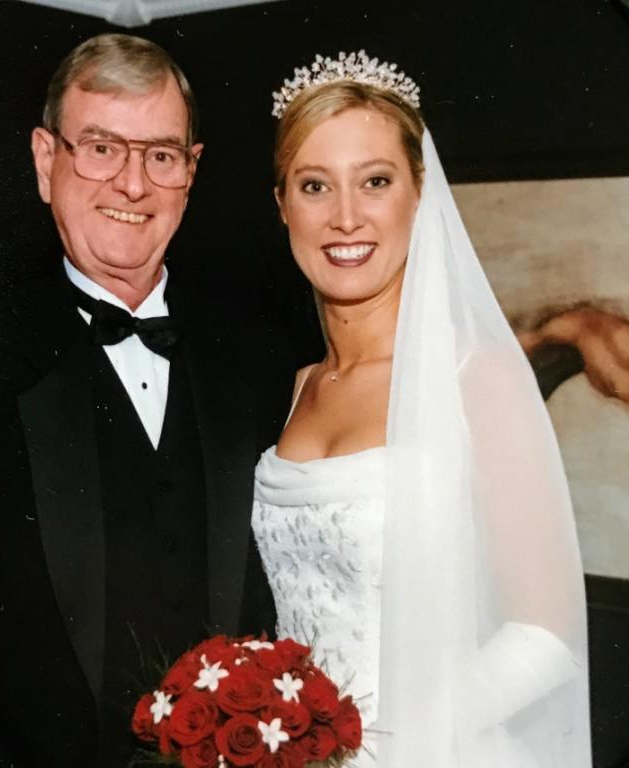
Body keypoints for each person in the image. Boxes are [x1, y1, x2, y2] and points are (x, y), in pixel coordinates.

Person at [0, 34, 292, 766]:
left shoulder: (258, 359)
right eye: (100, 147)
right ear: (44, 159)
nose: (132, 184)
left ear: (191, 171)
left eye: (160, 154)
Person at [252, 52, 591, 767]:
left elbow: (548, 634)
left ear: (419, 191)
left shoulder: (478, 379)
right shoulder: (295, 389)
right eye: (315, 185)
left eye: (375, 181)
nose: (346, 216)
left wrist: (372, 747)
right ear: (282, 203)